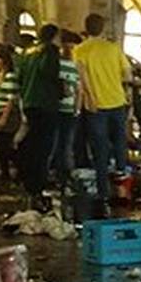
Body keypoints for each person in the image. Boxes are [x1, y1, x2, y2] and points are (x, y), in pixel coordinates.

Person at [74, 13, 132, 205]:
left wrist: (89, 97)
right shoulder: (113, 48)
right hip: (117, 100)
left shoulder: (80, 50)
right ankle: (121, 171)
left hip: (95, 105)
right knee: (120, 139)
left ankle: (103, 191)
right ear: (102, 28)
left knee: (99, 148)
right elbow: (127, 74)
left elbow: (81, 77)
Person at [17, 24, 64, 206]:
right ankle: (38, 184)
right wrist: (61, 89)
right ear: (54, 36)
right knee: (44, 146)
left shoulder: (28, 51)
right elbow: (49, 72)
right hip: (45, 102)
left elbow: (20, 76)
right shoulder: (50, 51)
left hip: (29, 101)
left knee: (31, 143)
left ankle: (28, 181)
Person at [0, 43, 21, 184]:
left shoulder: (10, 75)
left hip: (6, 114)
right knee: (0, 146)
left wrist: (4, 117)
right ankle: (5, 172)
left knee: (6, 146)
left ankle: (21, 168)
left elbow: (11, 99)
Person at [51, 31, 82, 186]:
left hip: (66, 110)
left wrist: (77, 109)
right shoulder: (58, 64)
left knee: (62, 144)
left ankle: (61, 174)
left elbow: (78, 89)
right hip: (61, 109)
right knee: (63, 144)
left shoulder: (72, 65)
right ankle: (63, 175)